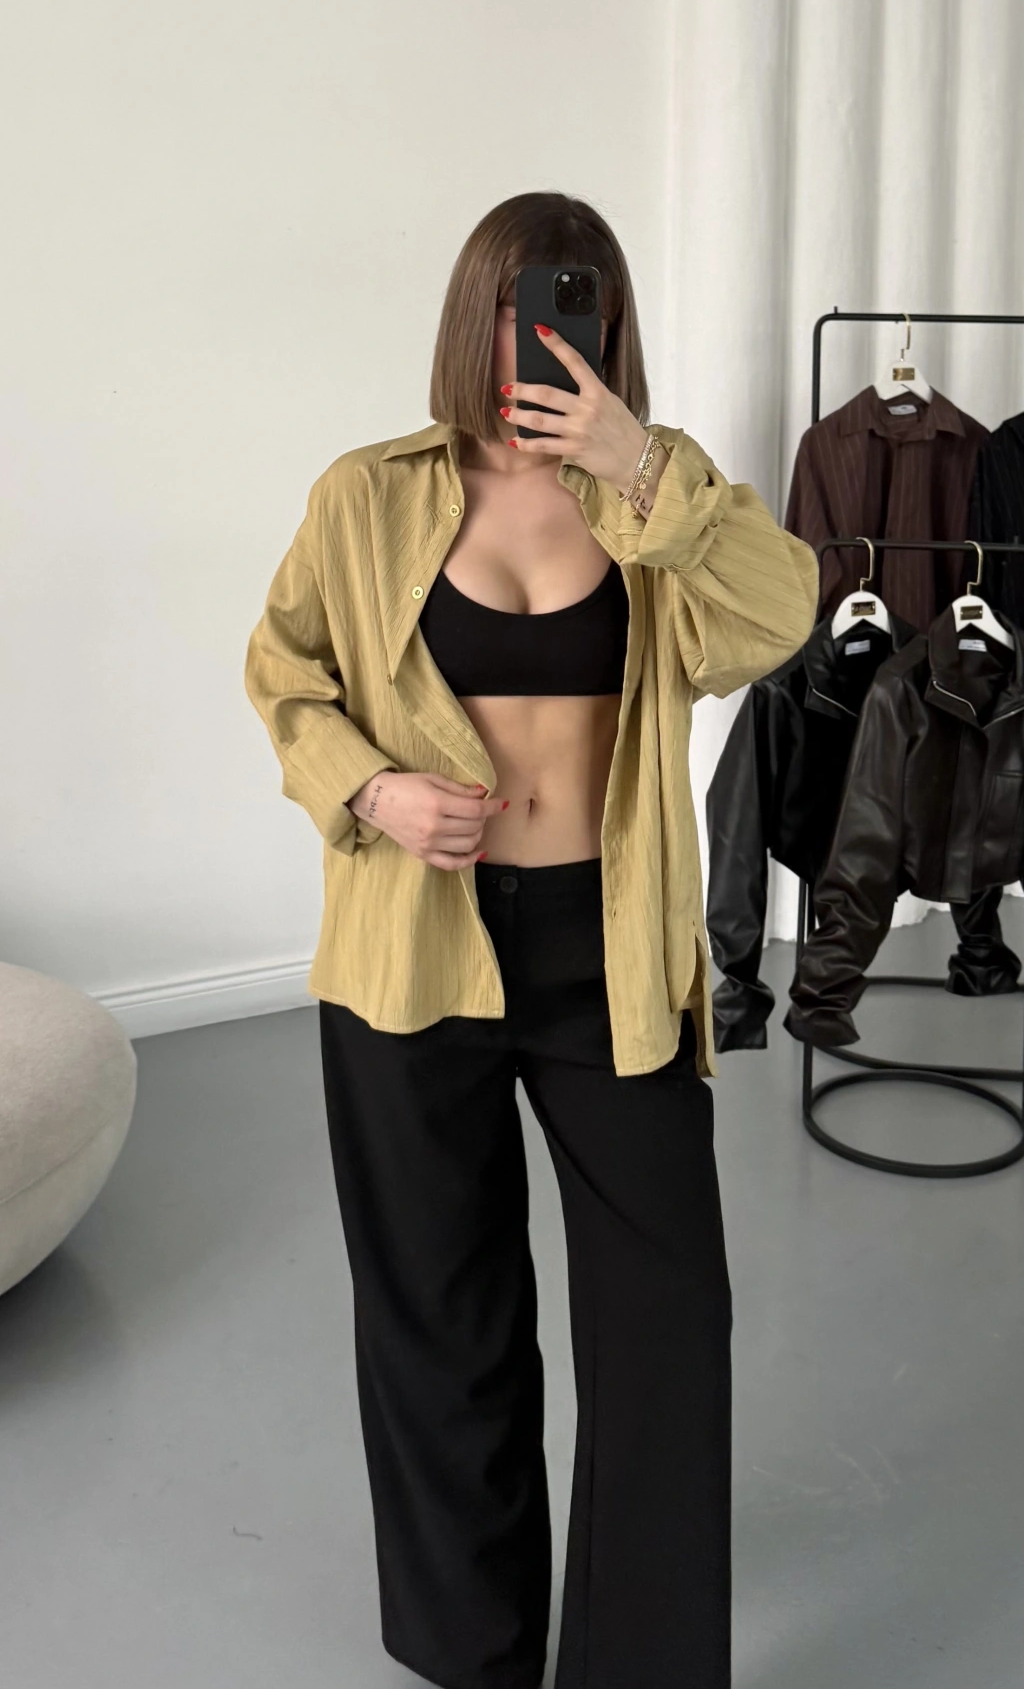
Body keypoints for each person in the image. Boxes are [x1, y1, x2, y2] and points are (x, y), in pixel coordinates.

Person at [244, 190, 819, 1689]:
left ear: (609, 324)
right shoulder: (368, 495)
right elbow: (286, 672)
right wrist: (370, 788)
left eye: (575, 303)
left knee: (666, 1317)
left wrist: (643, 463)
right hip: (414, 951)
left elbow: (785, 615)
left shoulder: (654, 500)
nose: (541, 336)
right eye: (515, 305)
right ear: (473, 315)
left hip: (605, 952)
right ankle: (473, 1649)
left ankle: (637, 1659)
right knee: (442, 1313)